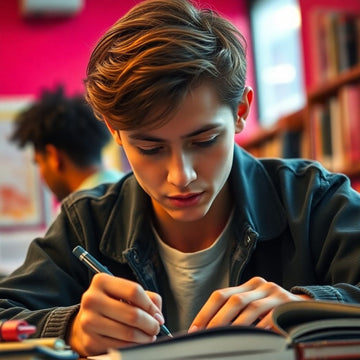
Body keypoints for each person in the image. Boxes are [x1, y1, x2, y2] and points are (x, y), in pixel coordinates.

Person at [0, 0, 360, 357]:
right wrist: (70, 327)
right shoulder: (87, 223)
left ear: (241, 111)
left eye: (203, 141)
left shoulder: (314, 200)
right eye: (150, 148)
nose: (181, 176)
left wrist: (305, 305)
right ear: (116, 132)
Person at [9, 86, 124, 202]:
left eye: (39, 162)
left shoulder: (77, 214)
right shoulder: (133, 189)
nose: (41, 176)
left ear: (53, 156)